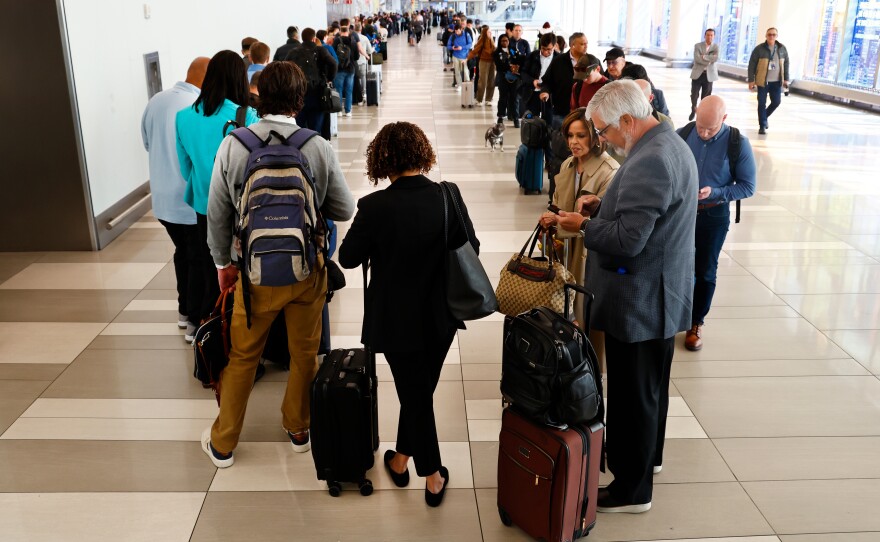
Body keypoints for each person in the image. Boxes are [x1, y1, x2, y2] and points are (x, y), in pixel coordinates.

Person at [551, 80, 698, 513]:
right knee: (650, 390)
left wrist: (583, 225)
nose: (601, 139)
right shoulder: (668, 143)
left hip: (639, 300)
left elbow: (630, 240)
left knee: (633, 396)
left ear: (628, 121)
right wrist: (605, 205)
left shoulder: (651, 160)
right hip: (661, 293)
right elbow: (646, 216)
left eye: (603, 130)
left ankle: (632, 491)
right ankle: (646, 461)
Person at [202, 61, 355, 469]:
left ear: (258, 97)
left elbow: (217, 213)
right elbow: (345, 206)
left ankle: (224, 443)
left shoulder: (234, 144)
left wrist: (223, 263)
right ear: (299, 100)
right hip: (308, 273)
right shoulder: (316, 144)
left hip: (253, 277)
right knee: (305, 353)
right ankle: (298, 427)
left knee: (243, 357)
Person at [338, 122, 479, 508]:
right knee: (418, 391)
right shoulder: (448, 196)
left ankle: (432, 475)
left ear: (382, 159)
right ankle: (400, 460)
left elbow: (348, 258)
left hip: (395, 317)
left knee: (415, 394)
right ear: (422, 154)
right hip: (441, 314)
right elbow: (473, 247)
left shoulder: (374, 207)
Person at [175, 51, 259, 332]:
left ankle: (206, 325)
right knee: (238, 269)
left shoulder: (183, 117)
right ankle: (236, 328)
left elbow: (185, 167)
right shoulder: (247, 115)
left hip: (202, 204)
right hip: (239, 208)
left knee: (209, 264)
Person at [539, 108, 618, 371]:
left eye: (581, 135)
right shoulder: (567, 165)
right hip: (565, 254)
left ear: (596, 137)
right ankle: (567, 369)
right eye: (570, 135)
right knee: (564, 315)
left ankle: (591, 374)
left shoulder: (610, 171)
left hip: (591, 256)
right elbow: (558, 206)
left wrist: (565, 223)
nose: (573, 142)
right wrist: (549, 221)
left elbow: (609, 224)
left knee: (588, 318)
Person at [678, 96, 756, 351]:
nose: (703, 132)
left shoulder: (737, 143)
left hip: (714, 215)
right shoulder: (684, 134)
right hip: (683, 212)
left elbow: (748, 187)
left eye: (710, 128)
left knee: (705, 270)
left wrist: (715, 193)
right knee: (676, 264)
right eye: (700, 125)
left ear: (724, 119)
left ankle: (696, 322)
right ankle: (674, 316)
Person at [141, 56, 208, 341]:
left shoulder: (157, 100)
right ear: (205, 79)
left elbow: (146, 142)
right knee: (197, 258)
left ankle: (184, 312)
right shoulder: (195, 108)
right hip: (187, 199)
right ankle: (194, 320)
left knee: (183, 253)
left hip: (163, 200)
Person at [288, 27, 338, 134]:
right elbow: (333, 63)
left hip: (299, 93)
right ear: (313, 38)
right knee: (316, 127)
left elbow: (284, 67)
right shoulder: (320, 50)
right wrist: (329, 78)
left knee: (299, 126)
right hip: (317, 93)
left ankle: (301, 147)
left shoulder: (294, 52)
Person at [540, 32, 589, 129]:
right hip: (561, 111)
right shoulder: (559, 61)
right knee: (559, 141)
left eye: (587, 43)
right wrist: (545, 91)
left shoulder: (591, 61)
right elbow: (547, 81)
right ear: (572, 45)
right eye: (583, 44)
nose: (586, 46)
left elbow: (601, 81)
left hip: (585, 113)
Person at [748, 27, 790, 135]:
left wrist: (786, 79)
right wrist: (751, 80)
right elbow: (752, 64)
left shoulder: (782, 49)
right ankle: (762, 125)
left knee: (776, 102)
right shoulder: (759, 49)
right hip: (762, 81)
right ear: (766, 36)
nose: (771, 36)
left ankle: (764, 117)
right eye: (769, 34)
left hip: (776, 82)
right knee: (761, 103)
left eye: (773, 34)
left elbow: (786, 64)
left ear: (777, 36)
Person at [520, 32, 558, 115]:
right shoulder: (532, 56)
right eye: (543, 48)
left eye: (549, 49)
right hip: (532, 93)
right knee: (531, 122)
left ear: (555, 46)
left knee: (548, 123)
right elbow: (523, 73)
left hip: (549, 96)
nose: (545, 52)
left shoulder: (559, 59)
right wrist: (532, 81)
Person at [689, 29, 719, 121]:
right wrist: (709, 60)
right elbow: (697, 59)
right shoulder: (698, 46)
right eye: (708, 35)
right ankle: (694, 109)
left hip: (709, 75)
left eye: (711, 35)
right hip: (698, 74)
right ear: (704, 36)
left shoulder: (716, 47)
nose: (709, 37)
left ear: (714, 36)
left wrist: (704, 56)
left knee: (706, 97)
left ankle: (701, 113)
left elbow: (716, 58)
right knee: (694, 94)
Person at [332, 21, 358, 117]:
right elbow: (357, 57)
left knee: (339, 90)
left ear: (340, 31)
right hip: (350, 69)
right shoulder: (353, 41)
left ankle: (339, 110)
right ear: (348, 31)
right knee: (349, 90)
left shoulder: (336, 41)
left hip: (339, 69)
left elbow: (333, 54)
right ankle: (348, 111)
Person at [468, 26, 496, 106]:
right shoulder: (482, 40)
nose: (490, 33)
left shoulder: (492, 41)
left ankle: (488, 99)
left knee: (491, 81)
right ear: (484, 33)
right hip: (483, 62)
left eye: (491, 32)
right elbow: (475, 50)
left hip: (492, 63)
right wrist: (467, 59)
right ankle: (479, 99)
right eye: (488, 32)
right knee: (482, 81)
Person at [447, 24, 473, 89]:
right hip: (455, 56)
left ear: (461, 29)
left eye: (458, 31)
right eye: (455, 31)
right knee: (457, 71)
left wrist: (462, 47)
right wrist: (452, 48)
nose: (457, 33)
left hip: (464, 56)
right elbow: (448, 46)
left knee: (465, 71)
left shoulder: (466, 35)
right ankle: (459, 85)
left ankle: (467, 84)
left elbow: (470, 44)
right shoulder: (453, 36)